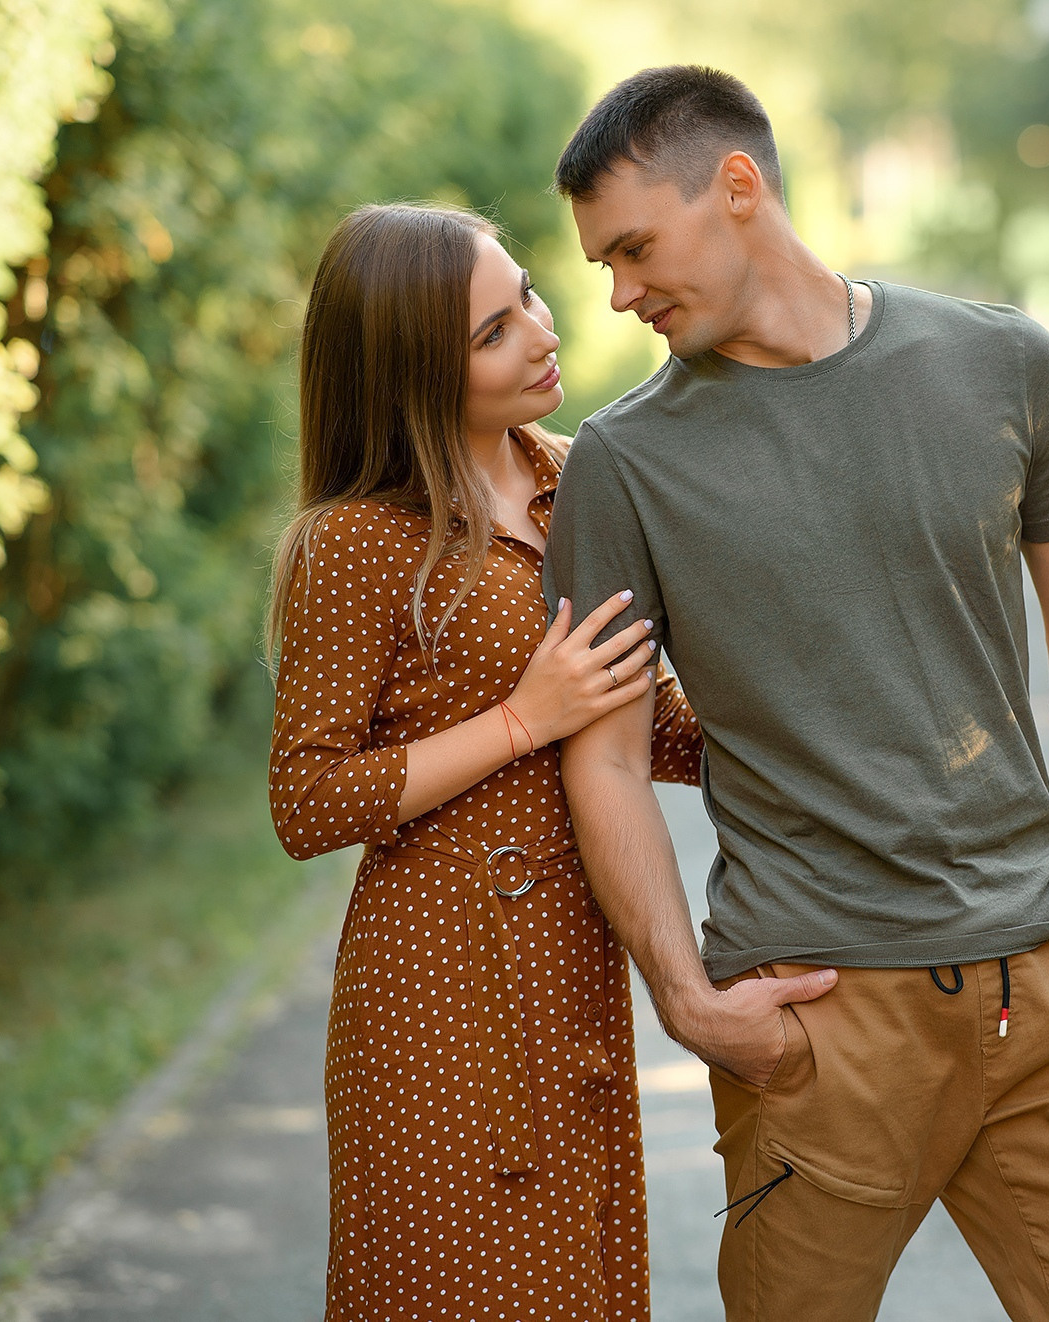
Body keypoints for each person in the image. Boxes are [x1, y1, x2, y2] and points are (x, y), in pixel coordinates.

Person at [543, 67, 1049, 1320]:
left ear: (739, 186)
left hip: (1048, 990)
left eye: (633, 248)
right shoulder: (624, 463)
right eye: (603, 265)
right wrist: (688, 999)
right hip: (817, 1020)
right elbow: (608, 755)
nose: (619, 293)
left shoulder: (1003, 362)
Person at [266, 201, 703, 1320]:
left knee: (583, 1285)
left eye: (529, 298)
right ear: (414, 374)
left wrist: (815, 721)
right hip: (437, 993)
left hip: (574, 964)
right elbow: (305, 800)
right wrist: (520, 721)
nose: (544, 334)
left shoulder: (580, 479)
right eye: (495, 332)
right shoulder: (356, 541)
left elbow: (649, 721)